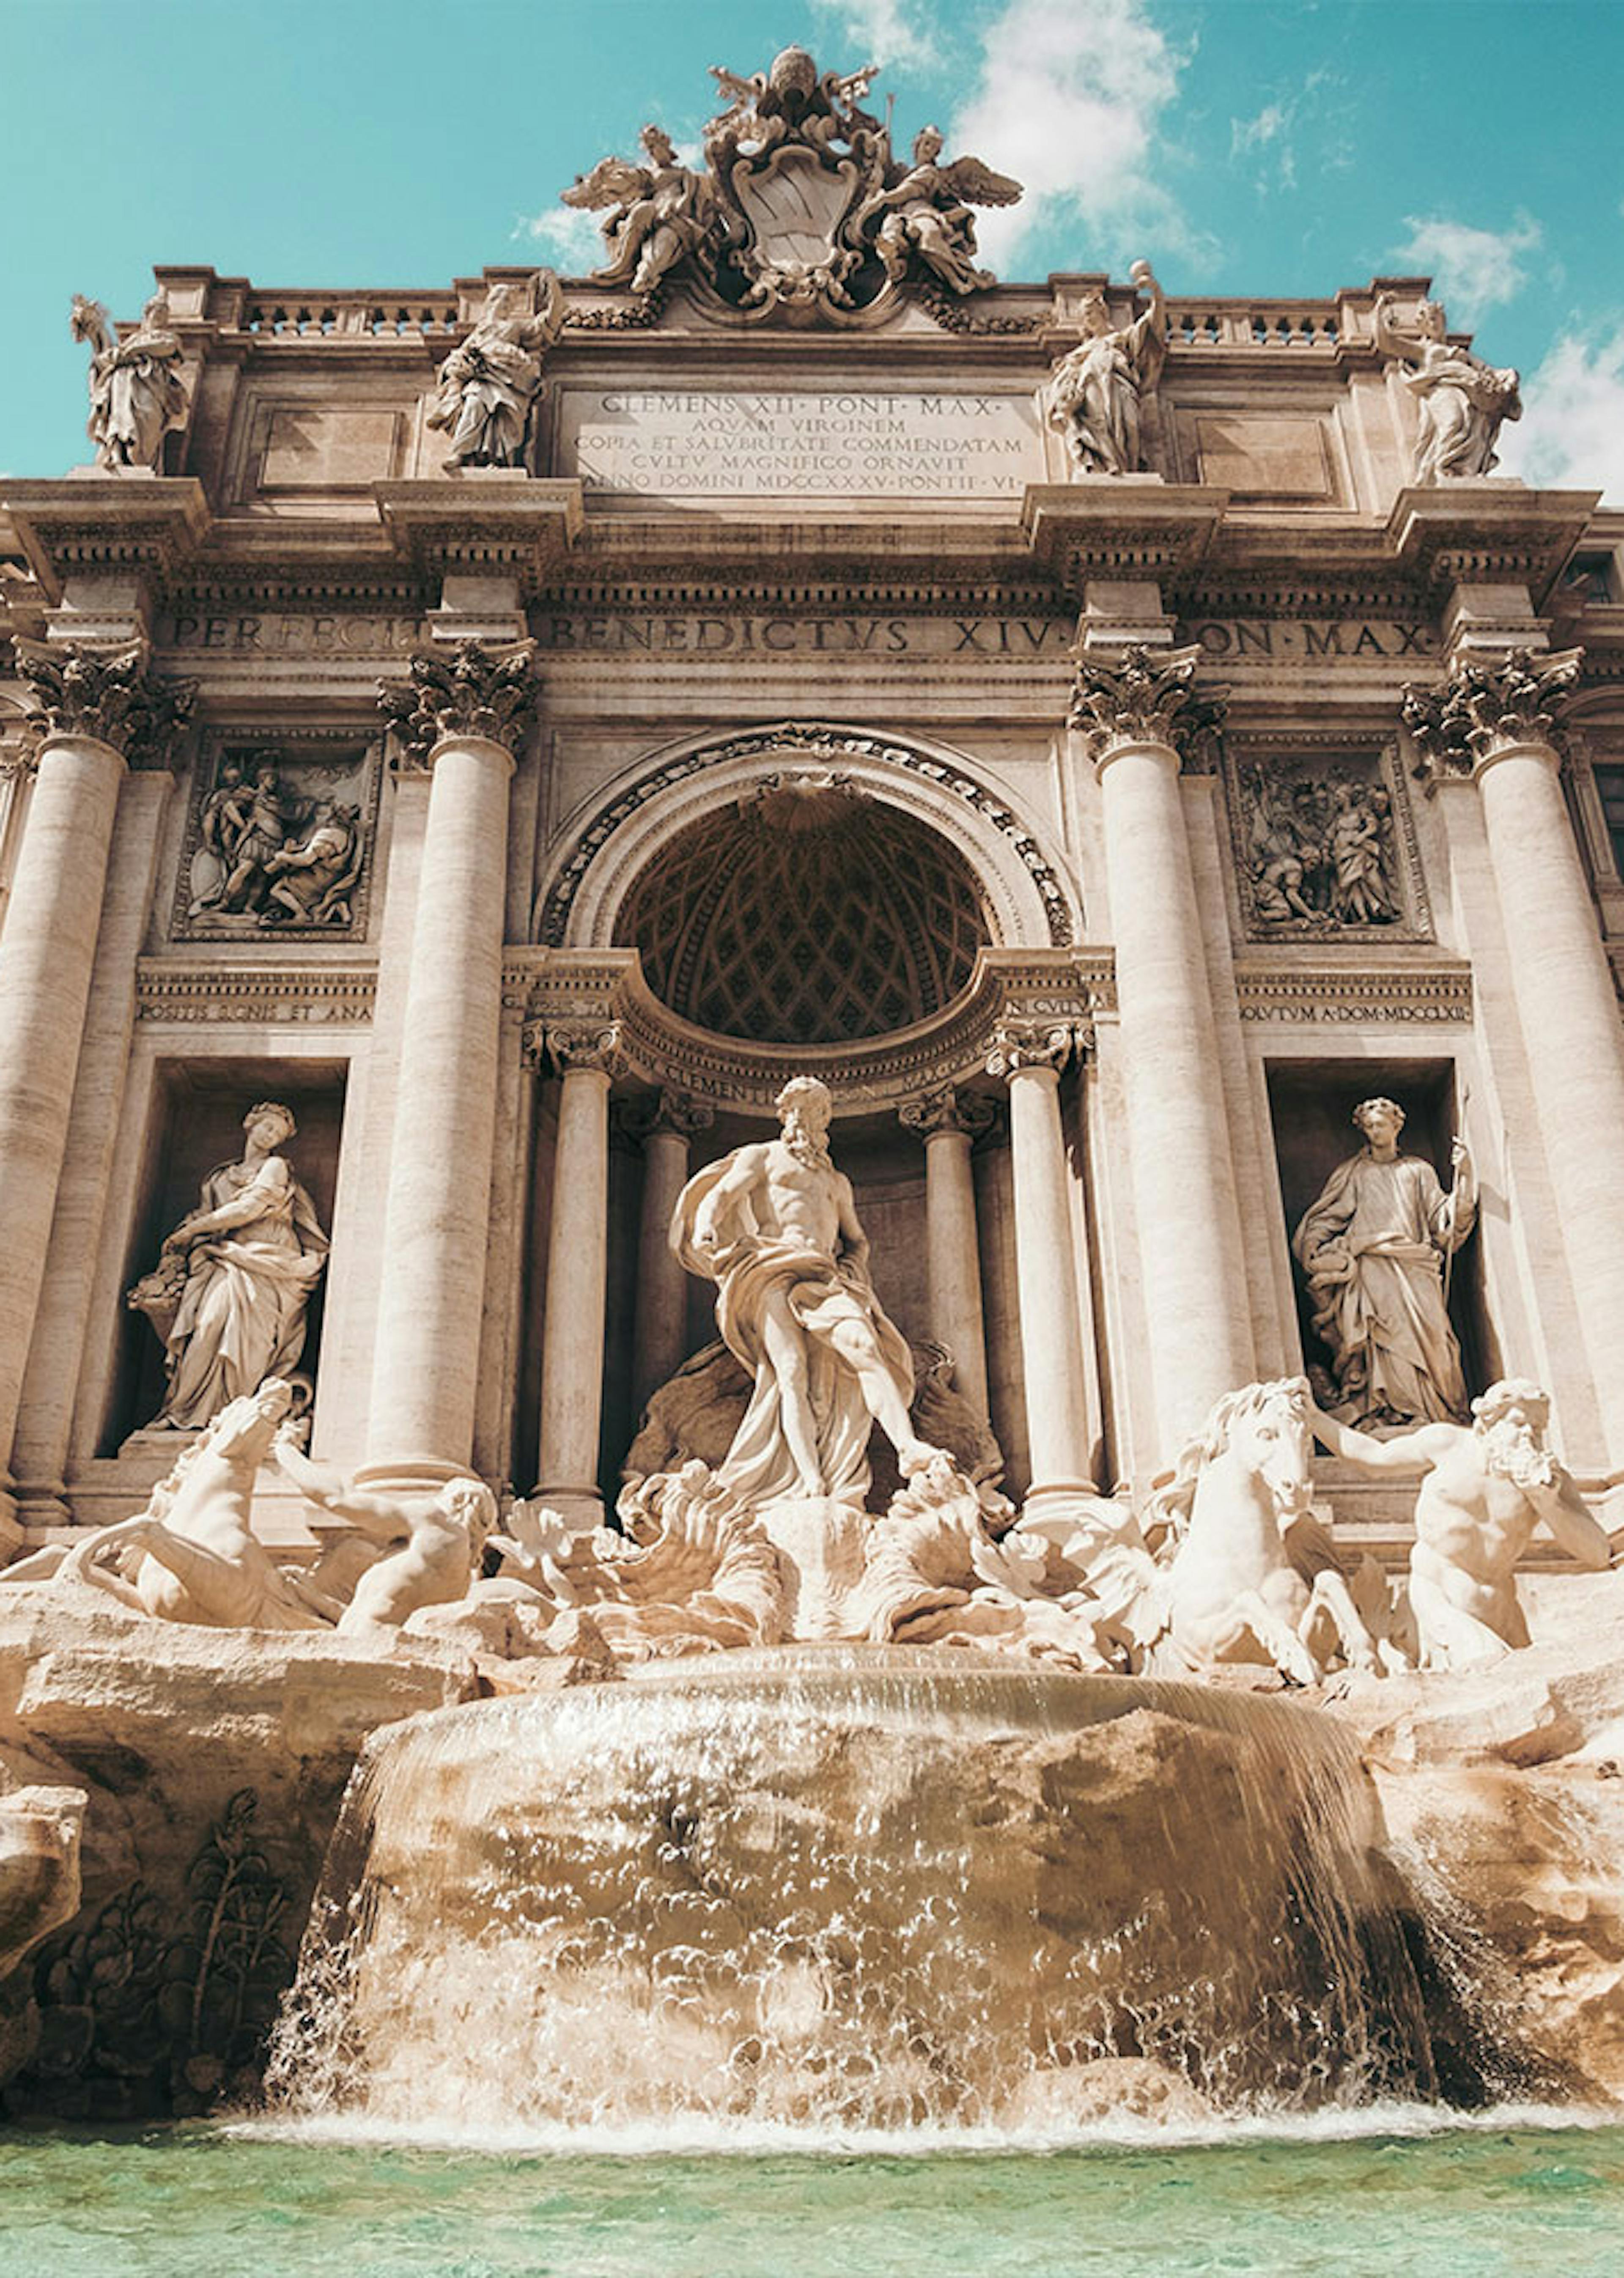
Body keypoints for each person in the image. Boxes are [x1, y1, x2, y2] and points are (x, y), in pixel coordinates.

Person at [671, 1076, 942, 1507]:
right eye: (797, 1109)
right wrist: (706, 1225)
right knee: (791, 1371)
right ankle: (810, 1481)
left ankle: (907, 1448)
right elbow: (721, 1194)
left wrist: (853, 1271)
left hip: (824, 1276)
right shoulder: (763, 1158)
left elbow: (857, 1240)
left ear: (824, 1120)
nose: (804, 1118)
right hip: (770, 1270)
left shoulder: (836, 1183)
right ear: (784, 1115)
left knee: (865, 1346)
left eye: (814, 1110)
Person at [1309, 1381, 1614, 1669]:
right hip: (1438, 1600)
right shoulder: (1448, 1444)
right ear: (1488, 1424)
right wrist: (1312, 1416)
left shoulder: (1550, 1480)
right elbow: (1372, 1458)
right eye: (1519, 1424)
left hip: (1504, 1612)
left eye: (1537, 1428)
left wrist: (1548, 1504)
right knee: (1491, 1673)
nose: (1528, 1437)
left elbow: (1598, 1553)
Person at [129, 1103, 329, 1430]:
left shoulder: (276, 1167)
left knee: (249, 1340)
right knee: (208, 1327)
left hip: (269, 1263)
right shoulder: (218, 1178)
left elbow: (251, 1207)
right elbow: (208, 1216)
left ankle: (238, 1421)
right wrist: (186, 1232)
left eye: (277, 1133)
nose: (271, 1136)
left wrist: (194, 1229)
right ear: (250, 1124)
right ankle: (184, 1412)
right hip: (225, 1256)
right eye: (267, 1127)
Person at [1293, 1097, 1474, 1426]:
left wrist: (1466, 1176)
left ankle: (1436, 1411)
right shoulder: (1353, 1174)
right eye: (1371, 1126)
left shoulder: (1418, 1171)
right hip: (1372, 1266)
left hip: (1415, 1264)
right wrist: (1314, 1246)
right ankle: (1388, 1409)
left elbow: (1443, 1220)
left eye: (1382, 1125)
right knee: (1383, 1338)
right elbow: (1328, 1216)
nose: (1376, 1131)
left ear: (1397, 1126)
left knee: (1434, 1341)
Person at [270, 1433, 496, 1633]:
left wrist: (286, 1450)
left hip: (364, 1650)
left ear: (458, 1500)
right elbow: (382, 1615)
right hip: (372, 1647)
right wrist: (313, 1598)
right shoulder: (461, 1580)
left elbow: (339, 1498)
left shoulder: (436, 1521)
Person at [1045, 262, 1167, 475]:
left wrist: (1155, 293)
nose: (1089, 318)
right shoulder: (1078, 354)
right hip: (1093, 390)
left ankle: (1127, 467)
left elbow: (1152, 328)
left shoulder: (1121, 339)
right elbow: (1063, 387)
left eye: (1091, 312)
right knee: (1100, 427)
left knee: (1130, 426)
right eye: (1085, 315)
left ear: (1103, 312)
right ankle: (1106, 465)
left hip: (1120, 388)